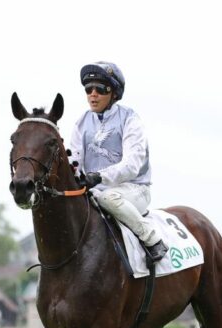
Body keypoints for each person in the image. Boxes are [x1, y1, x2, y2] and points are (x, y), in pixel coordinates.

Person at [69, 61, 168, 261]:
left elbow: (132, 165)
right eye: (88, 89)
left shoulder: (130, 119)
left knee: (108, 198)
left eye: (100, 89)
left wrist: (99, 177)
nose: (93, 94)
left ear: (113, 92)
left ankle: (152, 239)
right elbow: (74, 158)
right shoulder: (81, 122)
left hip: (133, 189)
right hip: (95, 191)